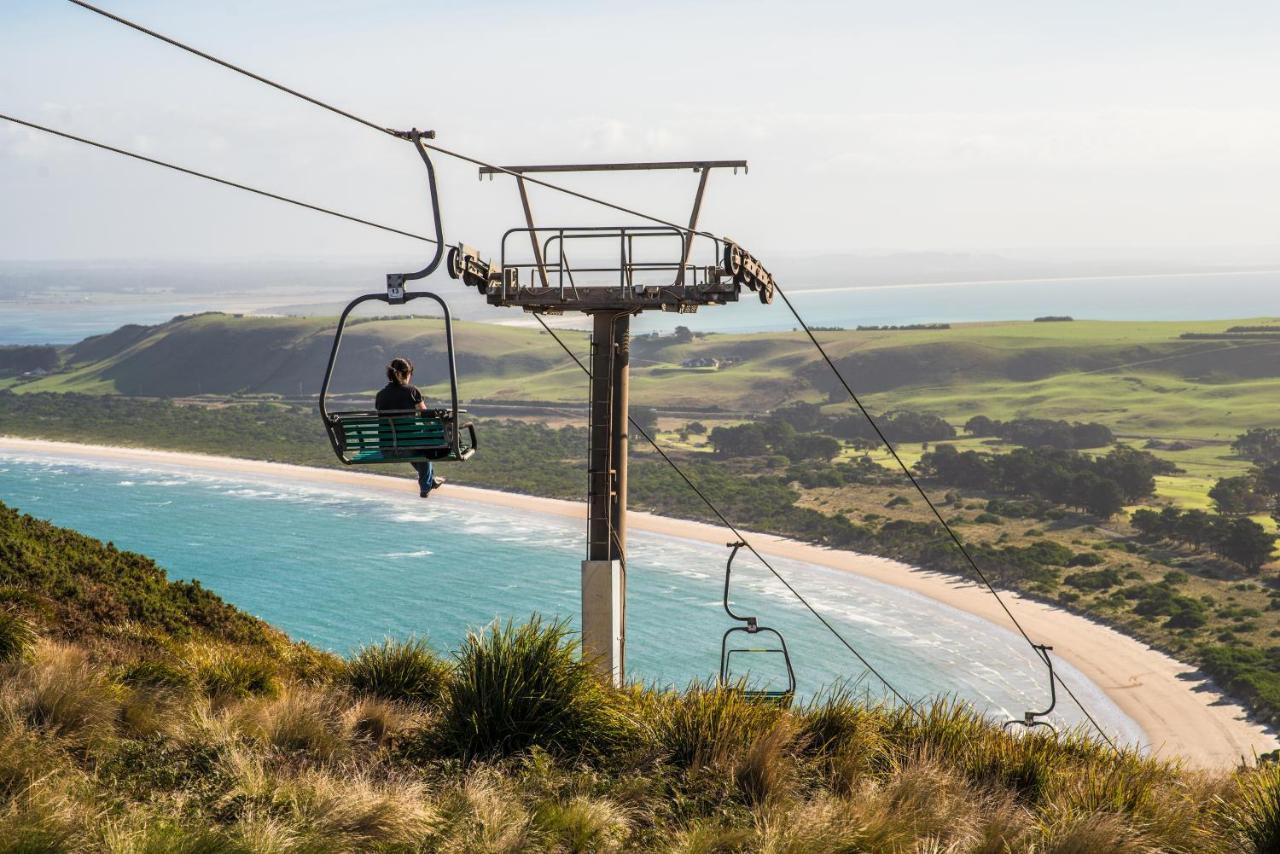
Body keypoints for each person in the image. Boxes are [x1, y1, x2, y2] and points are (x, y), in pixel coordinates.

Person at [376, 357, 446, 498]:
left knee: (412, 443)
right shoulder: (412, 391)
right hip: (409, 447)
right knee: (425, 443)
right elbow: (427, 417)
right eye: (410, 374)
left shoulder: (380, 395)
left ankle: (430, 480)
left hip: (387, 449)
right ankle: (426, 485)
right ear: (404, 374)